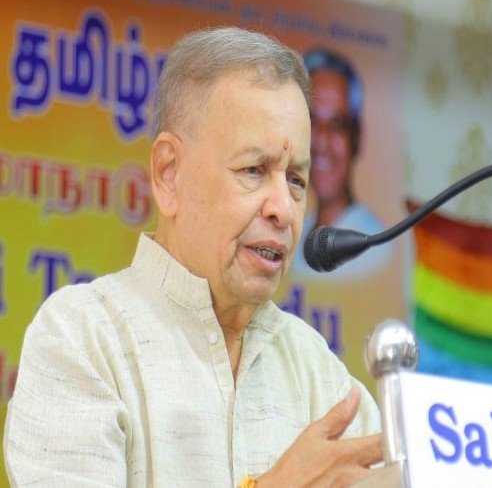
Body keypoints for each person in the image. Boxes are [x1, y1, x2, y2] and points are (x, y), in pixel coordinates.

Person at [3, 28, 382, 486]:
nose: (284, 209)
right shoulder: (83, 338)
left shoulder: (319, 374)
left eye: (297, 180)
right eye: (254, 170)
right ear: (169, 173)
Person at [291, 49, 392, 281]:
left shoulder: (376, 251)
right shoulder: (298, 233)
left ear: (357, 138)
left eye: (337, 125)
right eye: (312, 122)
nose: (322, 140)